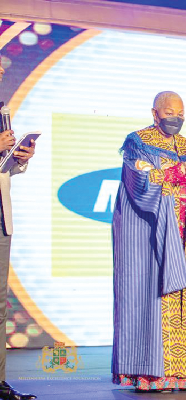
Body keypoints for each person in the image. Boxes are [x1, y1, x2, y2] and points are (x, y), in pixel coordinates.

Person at [111, 91, 186, 392]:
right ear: (155, 113)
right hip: (151, 238)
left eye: (181, 112)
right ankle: (150, 375)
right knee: (151, 299)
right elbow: (142, 183)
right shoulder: (138, 142)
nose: (177, 117)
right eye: (170, 111)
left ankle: (183, 374)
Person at [0, 58, 37, 400]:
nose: (1, 74)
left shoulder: (2, 111)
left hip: (1, 217)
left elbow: (3, 169)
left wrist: (19, 157)